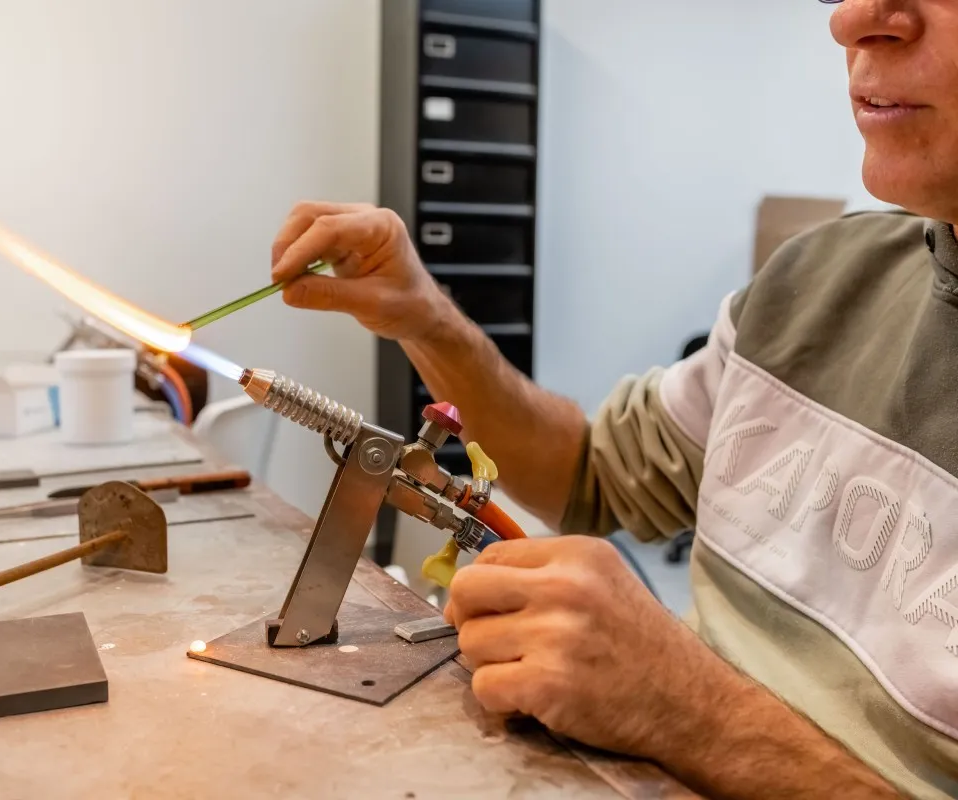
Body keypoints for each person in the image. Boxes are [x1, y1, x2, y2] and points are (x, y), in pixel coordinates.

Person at [266, 1, 958, 797]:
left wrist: (691, 710)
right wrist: (427, 318)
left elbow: (689, 705)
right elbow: (589, 476)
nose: (857, 20)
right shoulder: (814, 281)